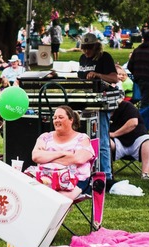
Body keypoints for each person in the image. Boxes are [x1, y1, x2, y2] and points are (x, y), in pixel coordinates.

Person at [77, 32, 122, 187]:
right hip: (85, 101)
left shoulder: (105, 57)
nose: (86, 51)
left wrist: (98, 75)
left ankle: (106, 175)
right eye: (84, 48)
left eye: (89, 48)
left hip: (101, 102)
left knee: (102, 139)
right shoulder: (82, 59)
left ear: (96, 46)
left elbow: (114, 78)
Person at [28, 105, 93, 201]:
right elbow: (36, 156)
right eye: (54, 118)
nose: (56, 120)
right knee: (29, 194)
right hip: (45, 178)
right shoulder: (45, 137)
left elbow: (78, 159)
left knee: (57, 200)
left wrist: (47, 157)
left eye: (60, 117)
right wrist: (62, 153)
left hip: (74, 180)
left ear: (71, 120)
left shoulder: (82, 138)